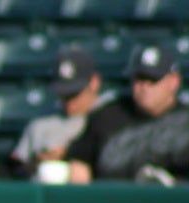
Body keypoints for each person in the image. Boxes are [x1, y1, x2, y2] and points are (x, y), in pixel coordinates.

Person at [67, 44, 188, 184]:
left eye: (153, 80)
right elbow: (80, 165)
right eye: (139, 79)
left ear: (174, 82)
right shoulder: (107, 116)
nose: (145, 87)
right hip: (113, 197)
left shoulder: (185, 121)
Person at [10, 46, 104, 176]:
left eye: (74, 94)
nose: (69, 102)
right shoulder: (41, 124)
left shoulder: (111, 117)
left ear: (94, 83)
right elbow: (15, 169)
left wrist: (67, 156)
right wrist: (37, 162)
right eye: (63, 95)